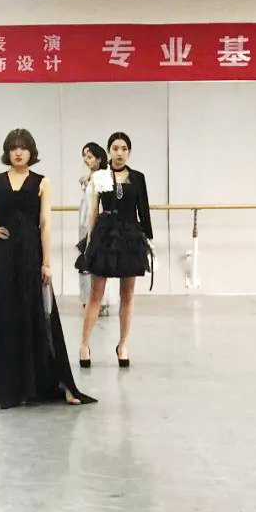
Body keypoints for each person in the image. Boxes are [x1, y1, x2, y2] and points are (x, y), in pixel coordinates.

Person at [0, 128, 96, 409]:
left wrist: (47, 262)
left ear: (31, 151)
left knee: (39, 317)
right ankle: (12, 388)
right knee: (5, 317)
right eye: (13, 147)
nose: (18, 152)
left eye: (23, 147)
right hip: (5, 255)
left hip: (32, 255)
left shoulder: (42, 182)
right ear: (7, 151)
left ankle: (55, 383)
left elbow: (45, 224)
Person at [78, 131, 154, 369]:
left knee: (127, 295)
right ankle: (84, 344)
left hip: (131, 236)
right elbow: (93, 210)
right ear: (109, 150)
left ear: (129, 151)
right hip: (106, 234)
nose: (119, 153)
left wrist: (149, 241)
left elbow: (144, 210)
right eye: (115, 148)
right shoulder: (101, 176)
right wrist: (89, 241)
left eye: (124, 148)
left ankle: (123, 344)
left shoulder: (138, 177)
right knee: (95, 294)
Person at [77, 142, 117, 316]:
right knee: (86, 261)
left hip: (99, 223)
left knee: (100, 261)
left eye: (90, 157)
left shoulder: (104, 177)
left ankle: (102, 301)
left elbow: (104, 203)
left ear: (99, 158)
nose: (86, 160)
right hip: (85, 222)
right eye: (84, 157)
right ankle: (88, 299)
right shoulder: (91, 177)